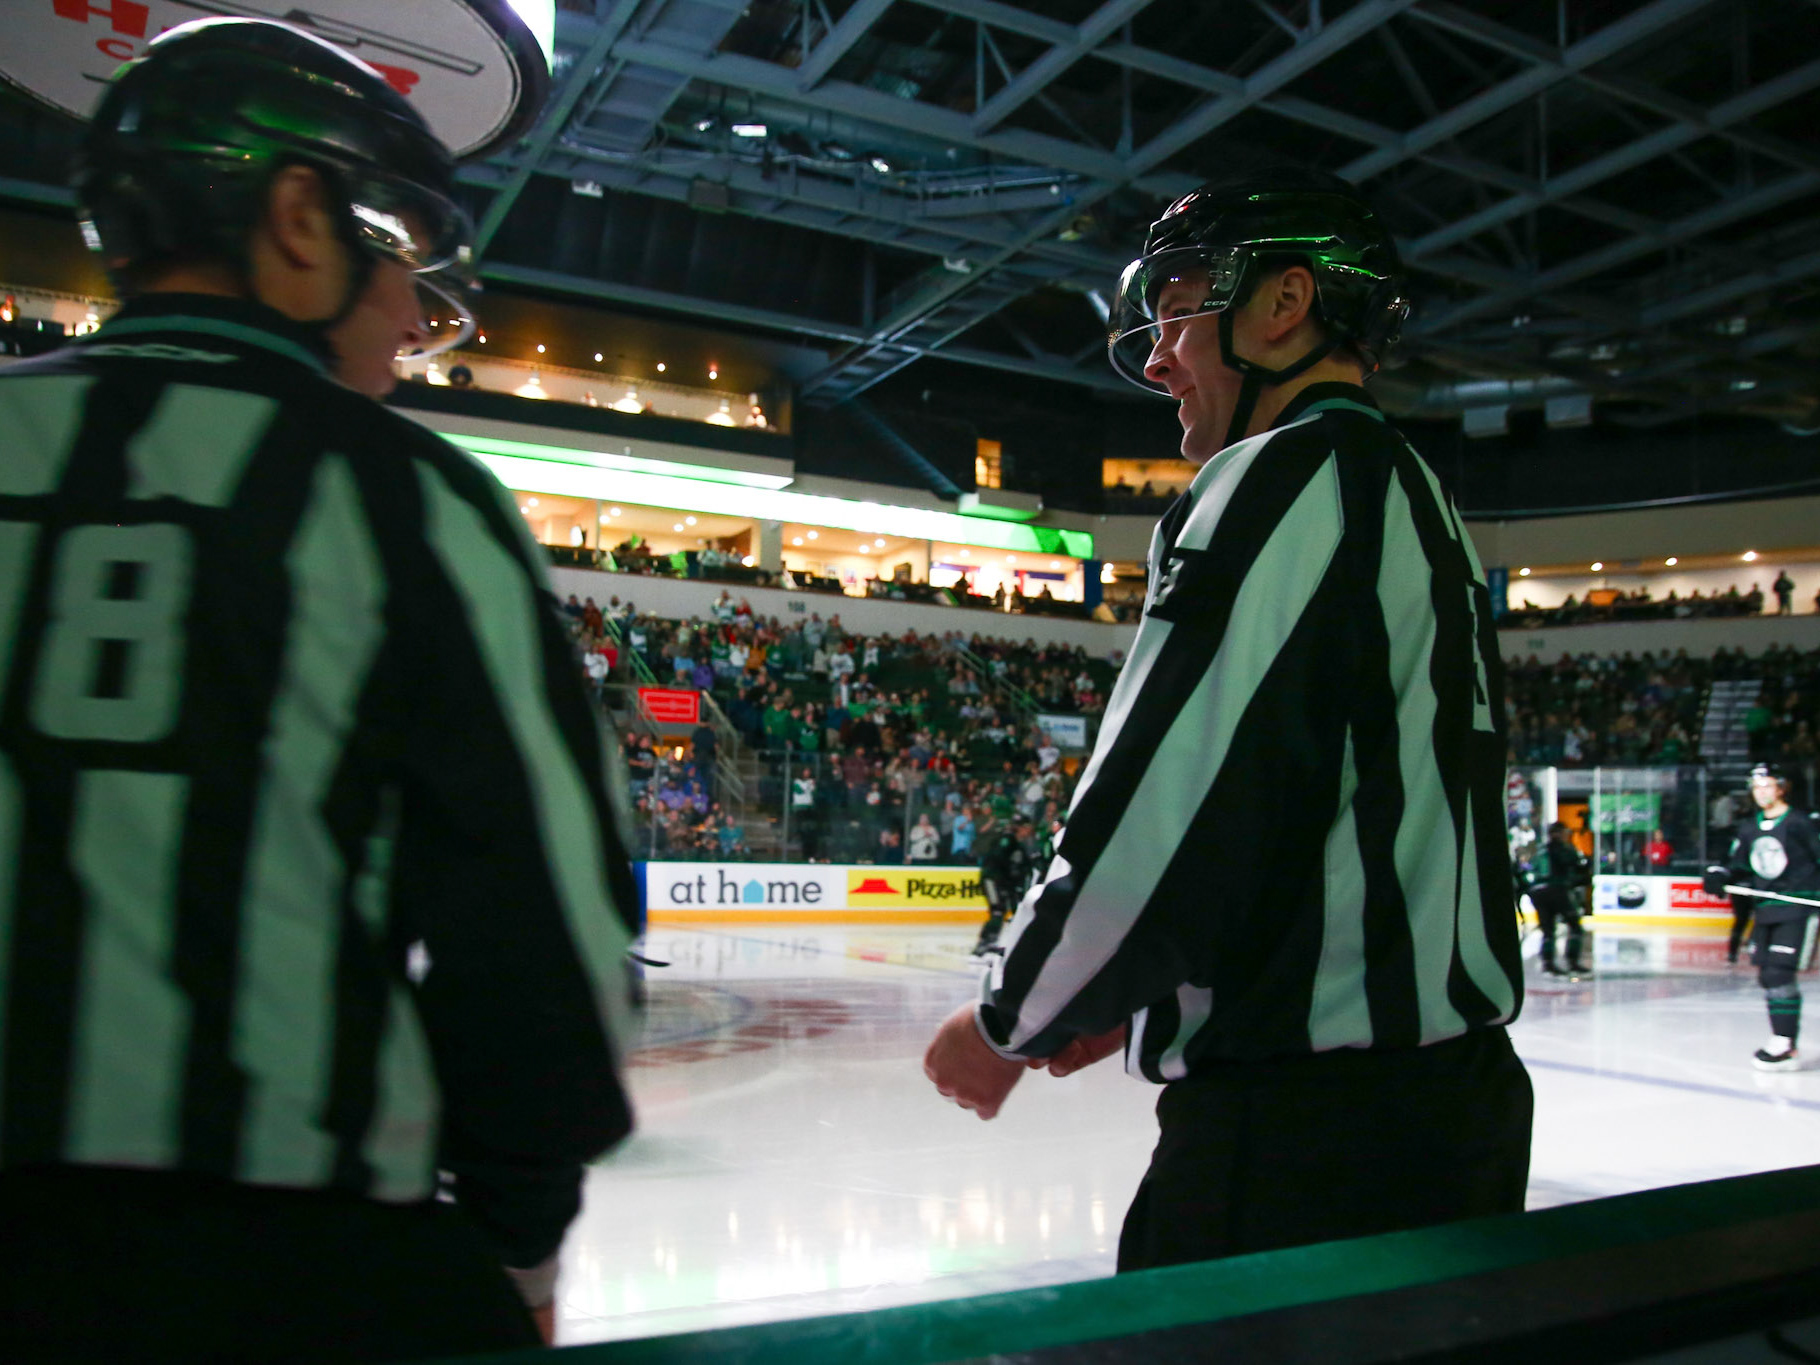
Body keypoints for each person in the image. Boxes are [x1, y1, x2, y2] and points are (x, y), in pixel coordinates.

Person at [0, 20, 638, 1361]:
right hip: (282, 1267)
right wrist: (516, 1240)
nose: (411, 317)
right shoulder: (409, 499)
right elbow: (544, 952)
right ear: (297, 218)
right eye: (397, 253)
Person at [924, 167, 1530, 1271]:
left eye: (1175, 312)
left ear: (1284, 302)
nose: (1158, 358)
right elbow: (1305, 811)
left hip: (1303, 1143)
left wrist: (1016, 1017)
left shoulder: (1279, 477)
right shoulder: (1415, 493)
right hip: (1456, 1114)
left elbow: (1170, 801)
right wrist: (1145, 985)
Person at [1705, 763, 1820, 1070]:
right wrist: (1720, 874)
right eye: (1756, 787)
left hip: (1798, 906)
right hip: (1766, 908)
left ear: (1782, 788)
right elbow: (1739, 864)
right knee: (1768, 975)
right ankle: (1784, 1040)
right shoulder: (1749, 827)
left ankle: (1784, 1042)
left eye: (1767, 785)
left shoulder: (1800, 823)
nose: (1761, 792)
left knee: (1780, 972)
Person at [1528, 823, 1591, 976]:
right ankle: (1572, 962)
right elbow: (1577, 868)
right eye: (1564, 833)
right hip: (1557, 890)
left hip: (1537, 892)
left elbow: (1530, 870)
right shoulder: (1565, 850)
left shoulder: (1540, 850)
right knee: (1575, 926)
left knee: (1548, 930)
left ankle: (1548, 964)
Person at [971, 816, 1034, 958]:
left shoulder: (1016, 844)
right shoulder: (1007, 841)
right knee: (998, 910)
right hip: (992, 880)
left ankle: (988, 941)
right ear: (1020, 827)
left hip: (998, 880)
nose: (1028, 831)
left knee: (1000, 909)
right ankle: (985, 943)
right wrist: (1007, 877)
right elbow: (997, 860)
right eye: (1026, 827)